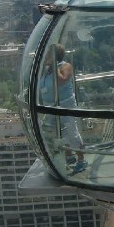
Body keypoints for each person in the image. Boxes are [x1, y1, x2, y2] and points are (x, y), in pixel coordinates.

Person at [39, 43, 86, 173]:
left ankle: (81, 159)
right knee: (55, 131)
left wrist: (53, 65)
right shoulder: (47, 69)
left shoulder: (66, 66)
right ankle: (68, 155)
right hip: (50, 106)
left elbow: (61, 80)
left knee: (71, 131)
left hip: (65, 104)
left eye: (49, 54)